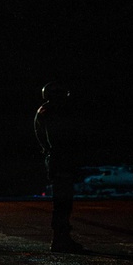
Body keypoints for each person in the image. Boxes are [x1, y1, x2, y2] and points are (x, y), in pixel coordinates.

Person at [33, 82, 84, 252]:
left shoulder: (44, 111)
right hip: (60, 159)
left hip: (57, 159)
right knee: (63, 202)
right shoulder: (52, 112)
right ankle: (61, 240)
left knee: (62, 202)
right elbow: (56, 139)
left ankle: (62, 238)